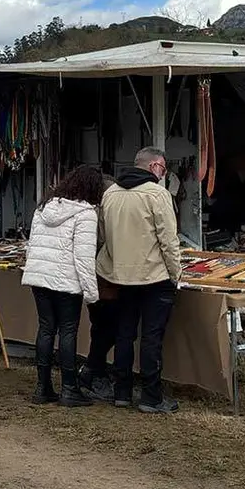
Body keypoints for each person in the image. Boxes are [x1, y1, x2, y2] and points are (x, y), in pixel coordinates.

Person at [96, 147, 181, 414]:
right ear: (155, 166)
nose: (164, 175)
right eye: (164, 169)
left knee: (124, 334)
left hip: (119, 275)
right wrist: (175, 274)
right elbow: (168, 240)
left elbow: (102, 234)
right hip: (154, 276)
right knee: (151, 337)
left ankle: (122, 392)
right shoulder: (157, 194)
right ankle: (150, 397)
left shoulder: (110, 193)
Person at [21, 166, 102, 407]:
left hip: (40, 278)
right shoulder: (86, 214)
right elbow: (84, 257)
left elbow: (32, 244)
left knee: (46, 329)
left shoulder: (44, 208)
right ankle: (69, 388)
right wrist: (92, 293)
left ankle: (42, 387)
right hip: (66, 281)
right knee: (68, 331)